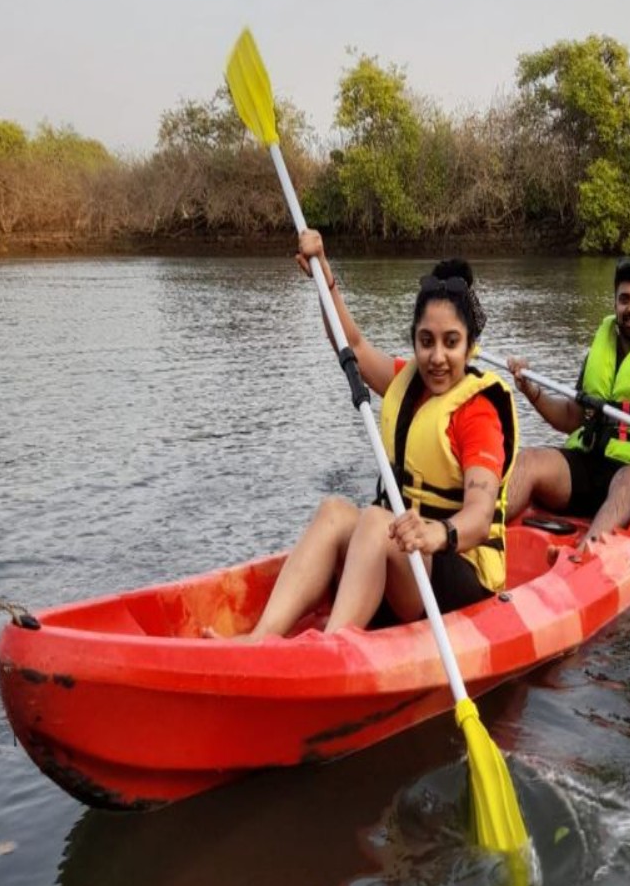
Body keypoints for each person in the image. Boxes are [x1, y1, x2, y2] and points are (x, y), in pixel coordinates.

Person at [210, 229, 518, 641]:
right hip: (407, 556)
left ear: (470, 346)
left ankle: (331, 645)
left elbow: (479, 519)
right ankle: (261, 637)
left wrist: (434, 533)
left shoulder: (477, 412)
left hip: (459, 572)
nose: (437, 357)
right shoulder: (406, 381)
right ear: (414, 340)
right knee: (335, 511)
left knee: (375, 520)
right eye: (426, 341)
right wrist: (324, 276)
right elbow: (351, 344)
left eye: (451, 343)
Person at [505, 256, 630, 551]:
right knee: (529, 460)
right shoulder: (599, 354)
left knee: (627, 480)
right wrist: (531, 390)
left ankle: (583, 558)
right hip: (591, 464)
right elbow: (571, 418)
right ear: (615, 304)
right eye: (624, 299)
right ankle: (478, 532)